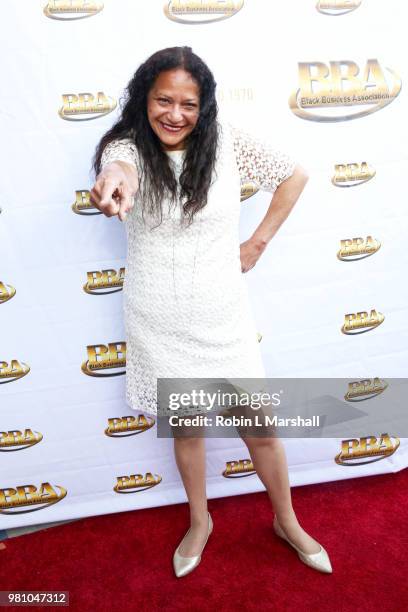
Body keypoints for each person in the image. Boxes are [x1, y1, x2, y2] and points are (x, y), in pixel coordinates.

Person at [90, 46, 332, 577]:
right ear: (144, 100)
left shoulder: (227, 144)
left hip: (223, 312)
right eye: (163, 100)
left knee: (261, 429)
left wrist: (257, 243)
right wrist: (114, 182)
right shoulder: (126, 145)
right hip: (158, 314)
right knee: (188, 429)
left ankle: (286, 519)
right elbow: (119, 170)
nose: (174, 114)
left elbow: (293, 176)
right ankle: (200, 520)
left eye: (188, 104)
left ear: (204, 106)